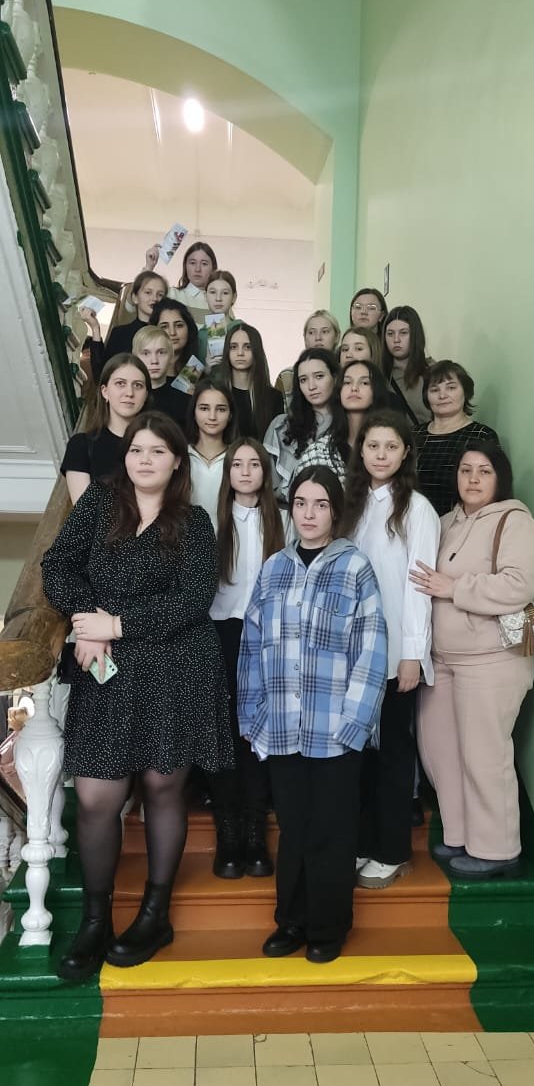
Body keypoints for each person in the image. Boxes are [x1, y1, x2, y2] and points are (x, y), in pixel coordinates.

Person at [41, 411, 235, 982]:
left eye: (157, 451)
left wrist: (116, 624)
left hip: (174, 668)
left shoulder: (194, 521)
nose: (144, 460)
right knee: (96, 796)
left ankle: (155, 915)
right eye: (135, 450)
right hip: (107, 670)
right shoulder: (99, 505)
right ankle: (95, 921)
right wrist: (87, 622)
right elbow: (57, 566)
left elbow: (194, 598)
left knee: (161, 787)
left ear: (177, 462)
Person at [238, 466, 387, 962]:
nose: (309, 513)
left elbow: (371, 648)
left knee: (331, 830)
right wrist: (254, 714)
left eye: (320, 504)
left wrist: (354, 721)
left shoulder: (355, 567)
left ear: (335, 511)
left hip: (336, 728)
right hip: (282, 724)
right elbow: (252, 645)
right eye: (301, 503)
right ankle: (291, 922)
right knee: (294, 828)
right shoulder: (273, 569)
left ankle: (328, 927)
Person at [411, 443, 534, 878]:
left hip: (492, 659)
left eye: (484, 471)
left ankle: (497, 848)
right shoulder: (445, 522)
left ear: (499, 477)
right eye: (466, 470)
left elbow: (519, 585)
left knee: (484, 754)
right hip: (442, 660)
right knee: (441, 753)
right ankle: (460, 835)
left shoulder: (515, 521)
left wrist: (455, 587)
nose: (472, 479)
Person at [339, 411, 440, 888]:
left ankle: (393, 850)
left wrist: (412, 653)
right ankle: (362, 842)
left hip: (397, 649)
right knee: (357, 753)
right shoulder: (350, 504)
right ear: (361, 450)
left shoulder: (417, 509)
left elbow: (420, 588)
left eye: (391, 446)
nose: (381, 455)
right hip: (350, 651)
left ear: (405, 453)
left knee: (393, 753)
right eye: (373, 445)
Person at [210, 438, 286, 879]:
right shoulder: (211, 522)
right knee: (224, 733)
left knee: (258, 733)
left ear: (265, 471)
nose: (244, 471)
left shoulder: (284, 520)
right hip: (221, 633)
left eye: (253, 464)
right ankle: (228, 833)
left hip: (269, 637)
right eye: (236, 464)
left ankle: (256, 832)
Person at [60, 355, 151, 504]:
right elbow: (84, 511)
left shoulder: (158, 445)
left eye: (138, 385)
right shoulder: (81, 445)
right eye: (120, 383)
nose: (129, 393)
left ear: (146, 395)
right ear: (105, 391)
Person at [415, 361, 499, 515]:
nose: (442, 395)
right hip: (414, 523)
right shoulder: (413, 435)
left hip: (462, 524)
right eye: (434, 390)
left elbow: (493, 490)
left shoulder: (481, 435)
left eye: (451, 388)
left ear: (465, 392)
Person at [296, 360, 394, 484]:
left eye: (364, 383)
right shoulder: (319, 451)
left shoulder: (391, 448)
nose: (354, 388)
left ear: (376, 391)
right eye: (347, 382)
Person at [264, 348, 339, 501]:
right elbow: (267, 485)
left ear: (335, 378)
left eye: (319, 376)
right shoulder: (280, 426)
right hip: (287, 511)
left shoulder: (351, 424)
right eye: (303, 380)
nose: (311, 386)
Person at [217, 323, 283, 440]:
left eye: (247, 347)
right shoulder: (216, 395)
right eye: (233, 347)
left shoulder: (273, 397)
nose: (240, 353)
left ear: (256, 351)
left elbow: (276, 442)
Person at [187, 377, 237, 527]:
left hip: (231, 537)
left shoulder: (238, 458)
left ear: (230, 415)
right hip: (187, 538)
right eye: (204, 408)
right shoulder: (180, 457)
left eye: (221, 409)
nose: (212, 417)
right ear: (194, 412)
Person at [98, 272, 168, 373]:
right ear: (135, 298)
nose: (154, 298)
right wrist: (95, 329)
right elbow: (102, 373)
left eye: (160, 294)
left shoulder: (169, 334)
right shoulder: (119, 333)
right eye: (148, 292)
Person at [145, 239, 217, 328]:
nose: (197, 269)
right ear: (185, 266)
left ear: (213, 268)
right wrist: (149, 266)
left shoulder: (219, 300)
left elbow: (222, 334)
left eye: (204, 264)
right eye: (192, 263)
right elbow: (135, 303)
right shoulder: (172, 294)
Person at [132, 327, 190, 430]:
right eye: (146, 353)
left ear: (171, 356)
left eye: (161, 353)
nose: (154, 361)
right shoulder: (128, 396)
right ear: (135, 357)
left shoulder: (185, 400)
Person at [274, 310, 340, 401]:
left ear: (337, 336)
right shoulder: (287, 376)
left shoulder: (346, 375)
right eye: (311, 332)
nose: (318, 338)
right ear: (305, 338)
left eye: (325, 331)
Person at [383, 306, 431, 426]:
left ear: (415, 335)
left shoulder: (433, 370)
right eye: (390, 334)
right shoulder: (381, 375)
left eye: (403, 333)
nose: (396, 339)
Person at [149, 297, 201, 378]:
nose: (172, 333)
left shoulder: (196, 369)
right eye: (164, 327)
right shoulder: (143, 371)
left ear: (189, 328)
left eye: (179, 325)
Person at [197, 271, 238, 367]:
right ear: (205, 296)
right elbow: (190, 375)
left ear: (234, 297)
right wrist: (207, 368)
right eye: (212, 292)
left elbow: (260, 370)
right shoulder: (199, 336)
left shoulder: (244, 330)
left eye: (225, 293)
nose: (218, 298)